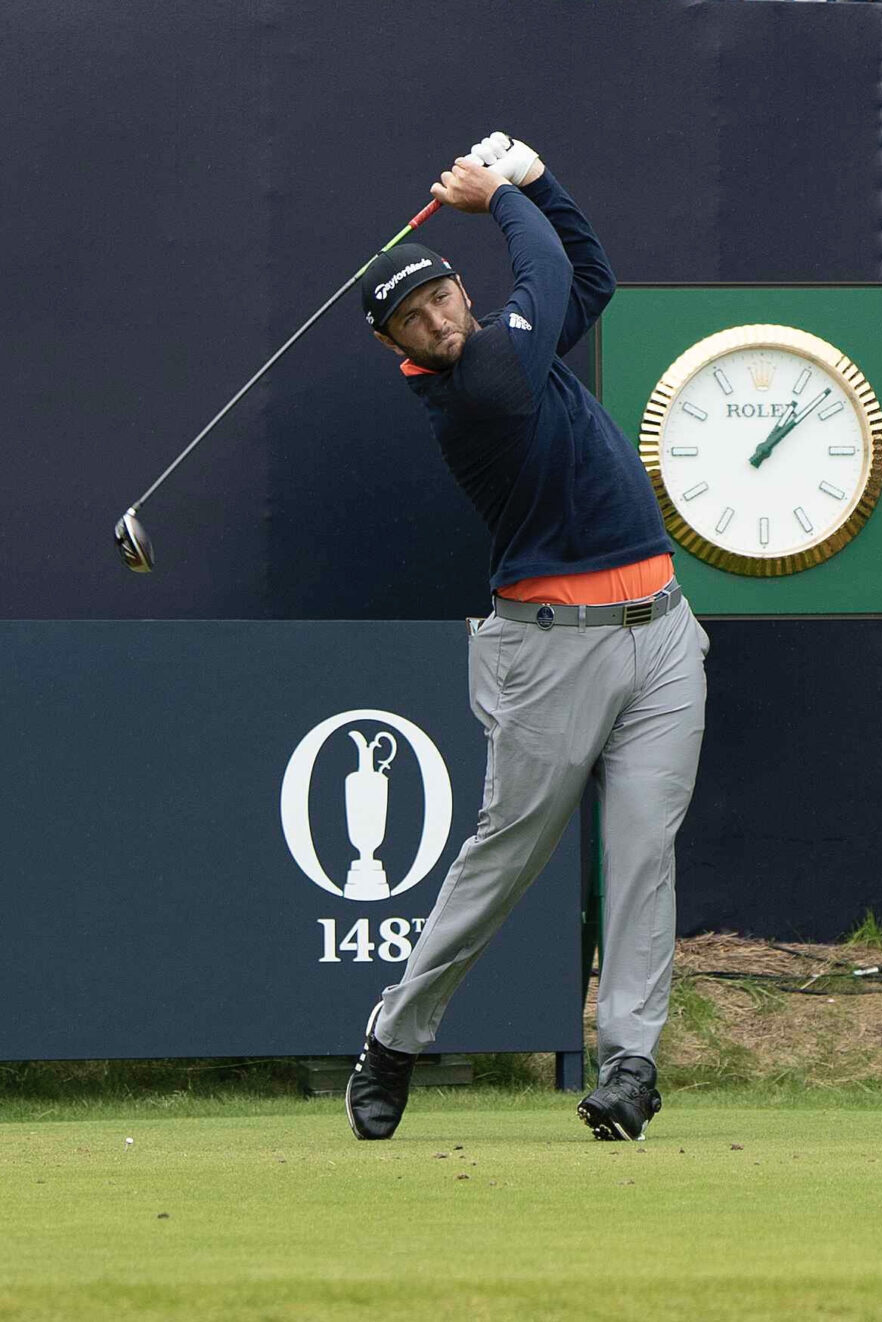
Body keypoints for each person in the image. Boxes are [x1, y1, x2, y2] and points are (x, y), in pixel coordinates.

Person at [347, 132, 707, 1143]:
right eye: (414, 321)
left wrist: (545, 180)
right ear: (399, 348)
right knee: (504, 859)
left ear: (461, 290)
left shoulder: (511, 335)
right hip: (550, 647)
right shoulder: (475, 388)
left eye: (440, 299)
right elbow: (542, 265)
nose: (436, 321)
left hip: (664, 634)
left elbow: (587, 270)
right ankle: (395, 1033)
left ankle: (631, 1062)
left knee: (644, 850)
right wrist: (502, 194)